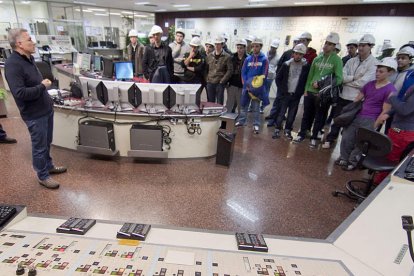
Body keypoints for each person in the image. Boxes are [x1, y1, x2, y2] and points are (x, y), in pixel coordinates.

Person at [5, 28, 67, 189]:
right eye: (29, 40)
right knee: (39, 146)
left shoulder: (29, 58)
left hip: (45, 109)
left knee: (47, 142)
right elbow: (19, 93)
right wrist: (41, 86)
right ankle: (43, 175)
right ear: (19, 44)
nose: (33, 42)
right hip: (34, 114)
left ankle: (49, 166)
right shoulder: (13, 65)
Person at [336, 57, 397, 171]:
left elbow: (385, 111)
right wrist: (349, 114)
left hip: (371, 119)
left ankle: (352, 162)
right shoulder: (369, 84)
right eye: (377, 70)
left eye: (381, 71)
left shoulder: (390, 90)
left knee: (361, 143)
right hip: (358, 115)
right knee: (347, 137)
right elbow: (357, 100)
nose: (377, 73)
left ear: (390, 72)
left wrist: (376, 125)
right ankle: (344, 158)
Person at [322, 34, 378, 149]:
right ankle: (330, 139)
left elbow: (364, 83)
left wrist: (348, 80)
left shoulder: (374, 64)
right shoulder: (351, 61)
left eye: (364, 45)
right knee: (337, 119)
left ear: (371, 46)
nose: (361, 48)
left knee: (351, 125)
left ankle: (347, 147)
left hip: (357, 99)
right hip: (343, 96)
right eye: (360, 45)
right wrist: (353, 78)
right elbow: (342, 77)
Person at [293, 32, 343, 148]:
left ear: (334, 46)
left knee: (319, 116)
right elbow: (310, 75)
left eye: (330, 44)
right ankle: (302, 134)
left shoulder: (337, 60)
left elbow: (339, 78)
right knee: (306, 115)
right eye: (326, 43)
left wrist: (322, 84)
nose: (326, 46)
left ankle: (314, 137)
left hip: (323, 94)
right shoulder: (317, 58)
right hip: (310, 91)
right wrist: (306, 90)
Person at [374, 83, 414, 184]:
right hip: (401, 129)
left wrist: (392, 97)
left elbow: (405, 110)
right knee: (389, 157)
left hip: (403, 132)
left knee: (392, 160)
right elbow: (404, 103)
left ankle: (378, 186)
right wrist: (389, 113)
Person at [272, 44, 310, 140]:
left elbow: (305, 80)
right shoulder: (287, 64)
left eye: (300, 54)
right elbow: (278, 78)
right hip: (286, 94)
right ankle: (277, 128)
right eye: (296, 53)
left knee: (292, 114)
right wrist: (282, 90)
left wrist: (301, 92)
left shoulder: (305, 66)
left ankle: (288, 130)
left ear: (303, 55)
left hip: (295, 95)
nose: (298, 56)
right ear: (293, 54)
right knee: (281, 113)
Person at [236, 37, 269, 134]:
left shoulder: (264, 59)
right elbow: (243, 72)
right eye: (253, 46)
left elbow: (265, 74)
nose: (255, 48)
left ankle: (256, 124)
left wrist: (256, 85)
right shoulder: (248, 59)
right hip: (247, 87)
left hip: (257, 88)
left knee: (256, 107)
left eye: (257, 46)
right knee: (244, 105)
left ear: (261, 47)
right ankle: (241, 121)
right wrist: (246, 84)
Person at [205, 35, 233, 104]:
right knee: (210, 102)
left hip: (220, 83)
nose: (217, 46)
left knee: (219, 102)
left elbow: (230, 70)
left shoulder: (227, 56)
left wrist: (222, 80)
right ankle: (211, 114)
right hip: (210, 82)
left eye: (218, 44)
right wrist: (207, 79)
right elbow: (205, 69)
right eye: (216, 44)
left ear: (222, 45)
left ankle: (219, 115)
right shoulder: (209, 56)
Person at [225, 38, 247, 115]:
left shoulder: (248, 59)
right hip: (232, 84)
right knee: (229, 103)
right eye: (238, 48)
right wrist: (227, 82)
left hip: (242, 85)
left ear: (245, 48)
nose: (239, 50)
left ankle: (240, 121)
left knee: (241, 104)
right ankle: (227, 119)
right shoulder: (232, 58)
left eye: (241, 48)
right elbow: (228, 70)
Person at [261, 39, 280, 114]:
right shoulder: (264, 54)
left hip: (270, 77)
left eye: (274, 48)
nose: (273, 49)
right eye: (272, 47)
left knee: (266, 92)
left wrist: (273, 73)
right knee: (257, 91)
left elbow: (277, 68)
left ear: (276, 48)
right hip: (261, 76)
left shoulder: (278, 57)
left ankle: (262, 107)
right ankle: (253, 107)